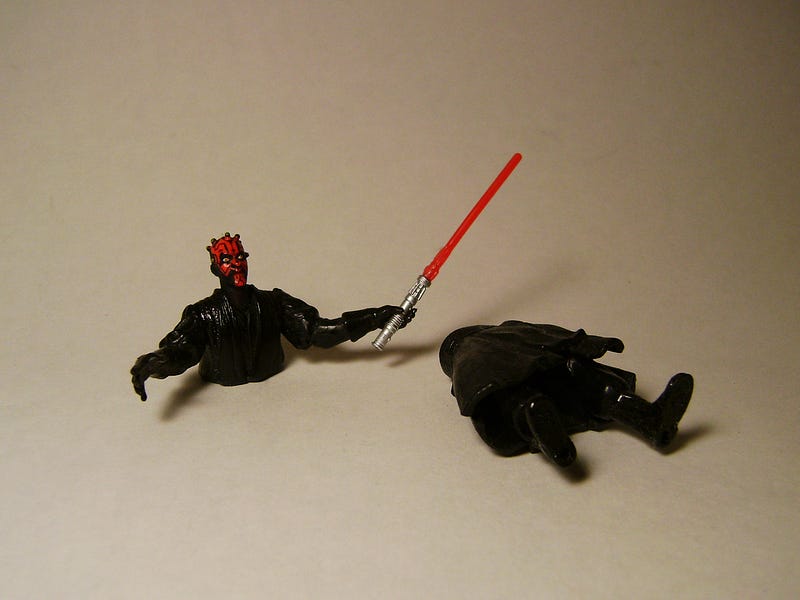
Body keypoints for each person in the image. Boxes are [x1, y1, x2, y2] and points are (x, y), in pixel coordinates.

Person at [131, 233, 410, 401]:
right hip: (220, 412)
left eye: (240, 257)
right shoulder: (203, 314)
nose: (236, 264)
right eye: (227, 260)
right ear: (215, 269)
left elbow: (318, 331)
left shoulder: (273, 303)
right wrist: (156, 362)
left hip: (281, 398)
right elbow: (181, 351)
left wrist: (375, 318)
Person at [439, 321, 693, 467]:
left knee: (533, 398)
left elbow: (467, 395)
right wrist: (588, 342)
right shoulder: (499, 335)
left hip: (538, 393)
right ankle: (649, 419)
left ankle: (553, 442)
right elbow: (549, 334)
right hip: (552, 383)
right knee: (585, 378)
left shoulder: (465, 362)